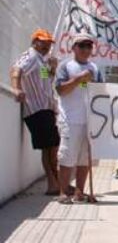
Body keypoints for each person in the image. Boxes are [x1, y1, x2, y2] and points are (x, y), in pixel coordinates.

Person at [9, 29, 61, 196]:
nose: (46, 45)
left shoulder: (41, 60)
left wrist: (53, 69)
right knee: (48, 148)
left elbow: (45, 82)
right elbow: (16, 70)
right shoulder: (31, 56)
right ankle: (53, 184)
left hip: (45, 108)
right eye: (43, 42)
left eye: (48, 43)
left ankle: (56, 183)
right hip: (37, 109)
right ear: (35, 41)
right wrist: (16, 89)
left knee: (52, 148)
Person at [54, 33, 103, 203]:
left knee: (84, 159)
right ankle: (63, 192)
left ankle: (79, 192)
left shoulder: (95, 69)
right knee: (67, 157)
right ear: (74, 47)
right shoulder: (65, 66)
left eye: (88, 46)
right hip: (70, 119)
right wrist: (79, 79)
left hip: (89, 121)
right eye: (81, 46)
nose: (85, 49)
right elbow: (60, 90)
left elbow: (101, 93)